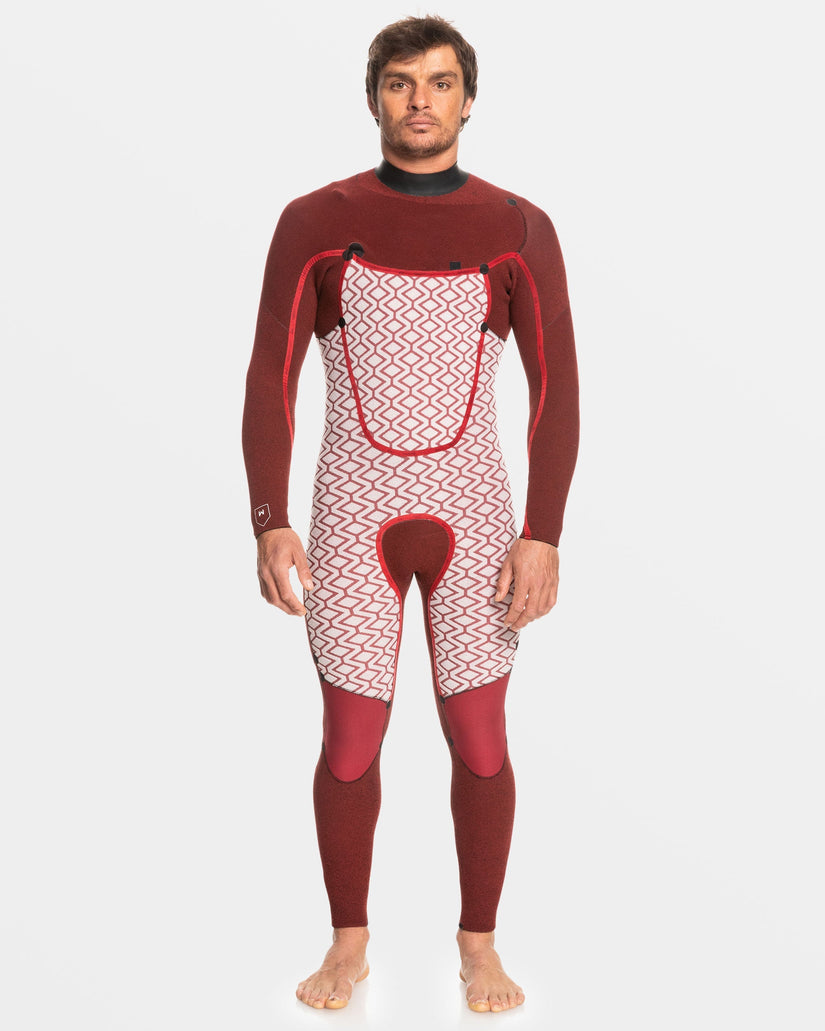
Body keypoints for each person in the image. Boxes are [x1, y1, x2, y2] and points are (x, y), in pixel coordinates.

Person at [242, 14, 579, 1014]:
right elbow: (270, 373)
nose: (419, 98)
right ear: (373, 97)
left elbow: (557, 388)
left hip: (476, 513)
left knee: (479, 734)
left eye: (439, 81)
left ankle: (479, 946)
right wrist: (269, 515)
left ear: (469, 100)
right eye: (399, 82)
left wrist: (544, 531)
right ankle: (348, 942)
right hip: (352, 511)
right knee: (349, 738)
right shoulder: (314, 221)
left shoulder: (519, 226)